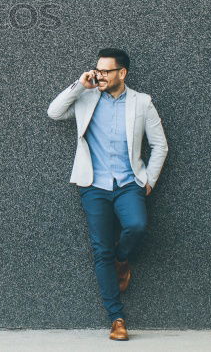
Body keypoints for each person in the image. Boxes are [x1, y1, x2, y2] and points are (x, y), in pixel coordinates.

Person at [46, 48, 168, 341]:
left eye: (105, 71)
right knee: (100, 251)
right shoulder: (86, 98)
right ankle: (116, 318)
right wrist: (79, 84)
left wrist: (148, 180)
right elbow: (54, 112)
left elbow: (160, 145)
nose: (99, 75)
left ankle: (122, 258)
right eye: (97, 69)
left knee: (136, 226)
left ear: (122, 73)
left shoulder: (142, 103)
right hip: (94, 186)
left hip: (128, 184)